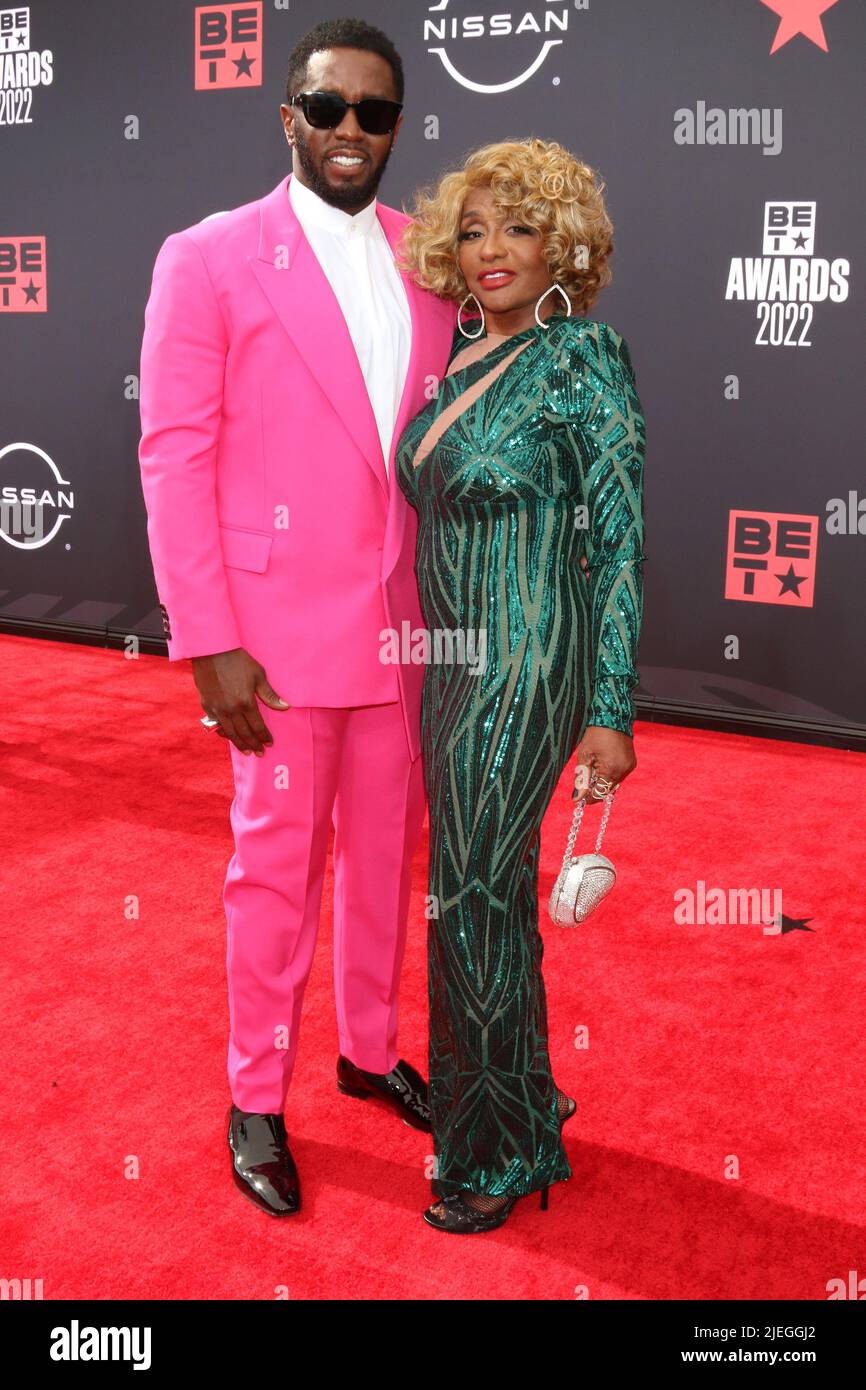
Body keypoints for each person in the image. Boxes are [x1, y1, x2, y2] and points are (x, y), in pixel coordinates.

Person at [138, 19, 457, 1217]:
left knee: (387, 859)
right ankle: (254, 1095)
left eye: (375, 113)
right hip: (269, 640)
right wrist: (205, 637)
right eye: (327, 107)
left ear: (395, 128)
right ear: (288, 115)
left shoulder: (426, 257)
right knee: (275, 871)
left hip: (401, 628)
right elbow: (174, 454)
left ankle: (367, 1052)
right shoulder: (210, 256)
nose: (348, 132)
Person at [394, 138, 646, 1233]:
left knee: (476, 904)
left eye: (519, 227)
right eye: (473, 228)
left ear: (565, 244)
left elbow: (620, 543)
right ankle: (516, 1101)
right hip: (449, 667)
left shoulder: (581, 358)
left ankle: (499, 1152)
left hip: (531, 656)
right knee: (471, 900)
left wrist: (609, 707)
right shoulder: (450, 357)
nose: (490, 249)